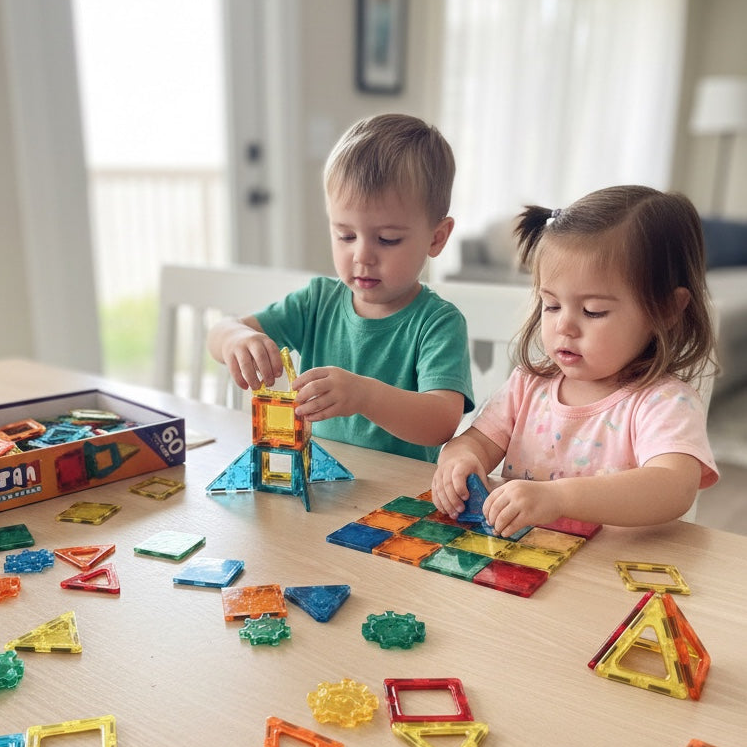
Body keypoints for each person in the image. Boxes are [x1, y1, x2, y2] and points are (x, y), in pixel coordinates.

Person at [431, 185, 719, 535]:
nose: (563, 325)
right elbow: (474, 441)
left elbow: (674, 486)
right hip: (515, 570)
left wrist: (560, 498)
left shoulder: (664, 403)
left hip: (603, 580)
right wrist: (460, 461)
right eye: (551, 305)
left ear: (667, 309)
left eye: (593, 311)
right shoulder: (528, 385)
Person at [207, 113, 474, 462]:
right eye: (345, 235)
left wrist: (364, 396)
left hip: (397, 500)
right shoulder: (317, 301)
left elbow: (440, 422)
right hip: (322, 485)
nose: (362, 255)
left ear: (436, 238)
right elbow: (220, 333)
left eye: (388, 239)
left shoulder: (437, 322)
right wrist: (236, 340)